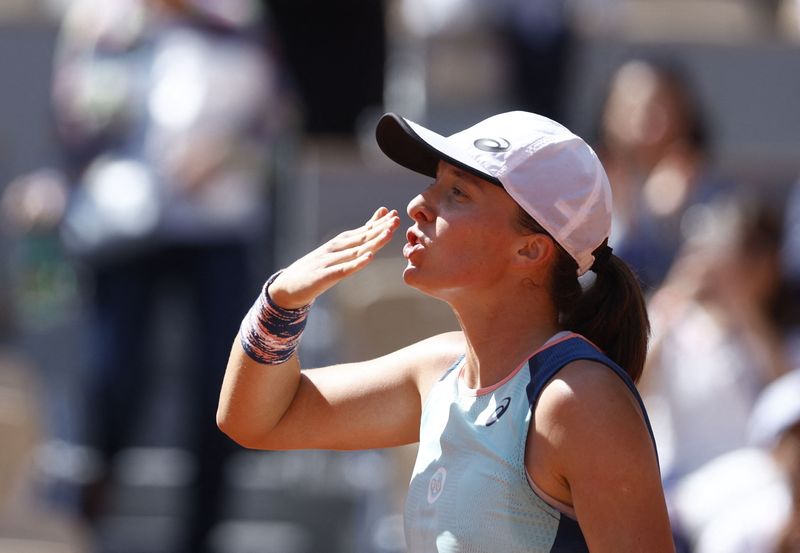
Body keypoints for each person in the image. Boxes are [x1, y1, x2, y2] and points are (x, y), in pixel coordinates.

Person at [218, 111, 676, 552]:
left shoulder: (578, 400)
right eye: (434, 184)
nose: (419, 205)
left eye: (458, 193)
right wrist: (281, 303)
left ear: (531, 249)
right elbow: (255, 420)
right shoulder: (440, 371)